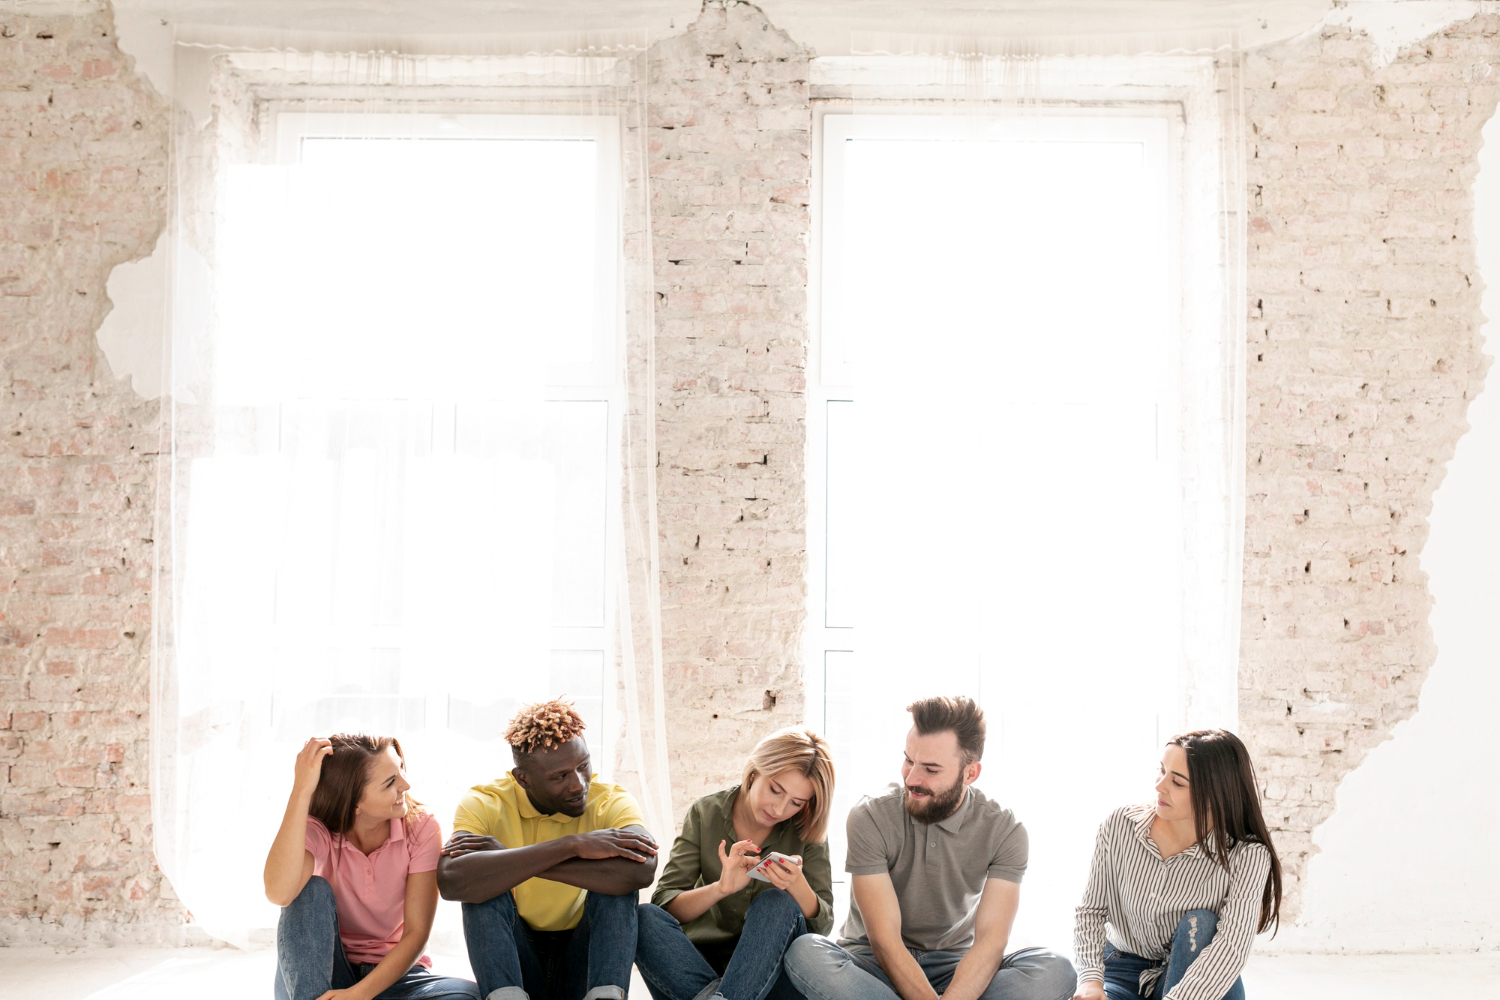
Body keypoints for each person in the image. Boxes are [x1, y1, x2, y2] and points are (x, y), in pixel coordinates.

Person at [784, 696, 1076, 1000]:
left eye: (930, 769)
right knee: (806, 953)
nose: (912, 778)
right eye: (909, 760)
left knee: (1056, 970)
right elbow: (884, 940)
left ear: (970, 773)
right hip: (872, 962)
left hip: (953, 964)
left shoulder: (1005, 830)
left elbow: (991, 942)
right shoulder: (870, 816)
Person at [438, 699, 659, 1000]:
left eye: (583, 766)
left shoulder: (609, 800)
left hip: (583, 956)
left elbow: (641, 871)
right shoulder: (485, 801)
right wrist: (572, 845)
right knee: (479, 887)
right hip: (517, 956)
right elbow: (452, 880)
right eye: (560, 776)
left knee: (618, 890)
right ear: (523, 778)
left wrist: (511, 857)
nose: (579, 784)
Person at [263, 733, 481, 1000]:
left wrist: (360, 994)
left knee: (467, 996)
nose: (406, 784)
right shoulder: (318, 830)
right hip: (323, 976)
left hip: (395, 977)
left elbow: (417, 933)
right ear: (354, 801)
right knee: (309, 891)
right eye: (390, 782)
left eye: (401, 769)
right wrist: (301, 790)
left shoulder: (421, 827)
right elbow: (279, 893)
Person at [1071, 730, 1283, 1000]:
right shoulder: (1119, 826)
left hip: (1200, 978)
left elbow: (1231, 948)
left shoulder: (1248, 855)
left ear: (1215, 794)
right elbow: (1090, 911)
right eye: (1161, 771)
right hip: (1121, 969)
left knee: (1202, 924)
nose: (1160, 786)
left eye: (1178, 782)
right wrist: (1090, 980)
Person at [636, 727, 838, 1000]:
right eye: (775, 790)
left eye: (796, 803)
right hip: (695, 967)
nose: (779, 809)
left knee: (777, 903)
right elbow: (666, 907)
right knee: (644, 917)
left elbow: (822, 928)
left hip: (773, 978)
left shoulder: (807, 830)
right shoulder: (705, 813)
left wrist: (797, 885)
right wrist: (720, 888)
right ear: (755, 770)